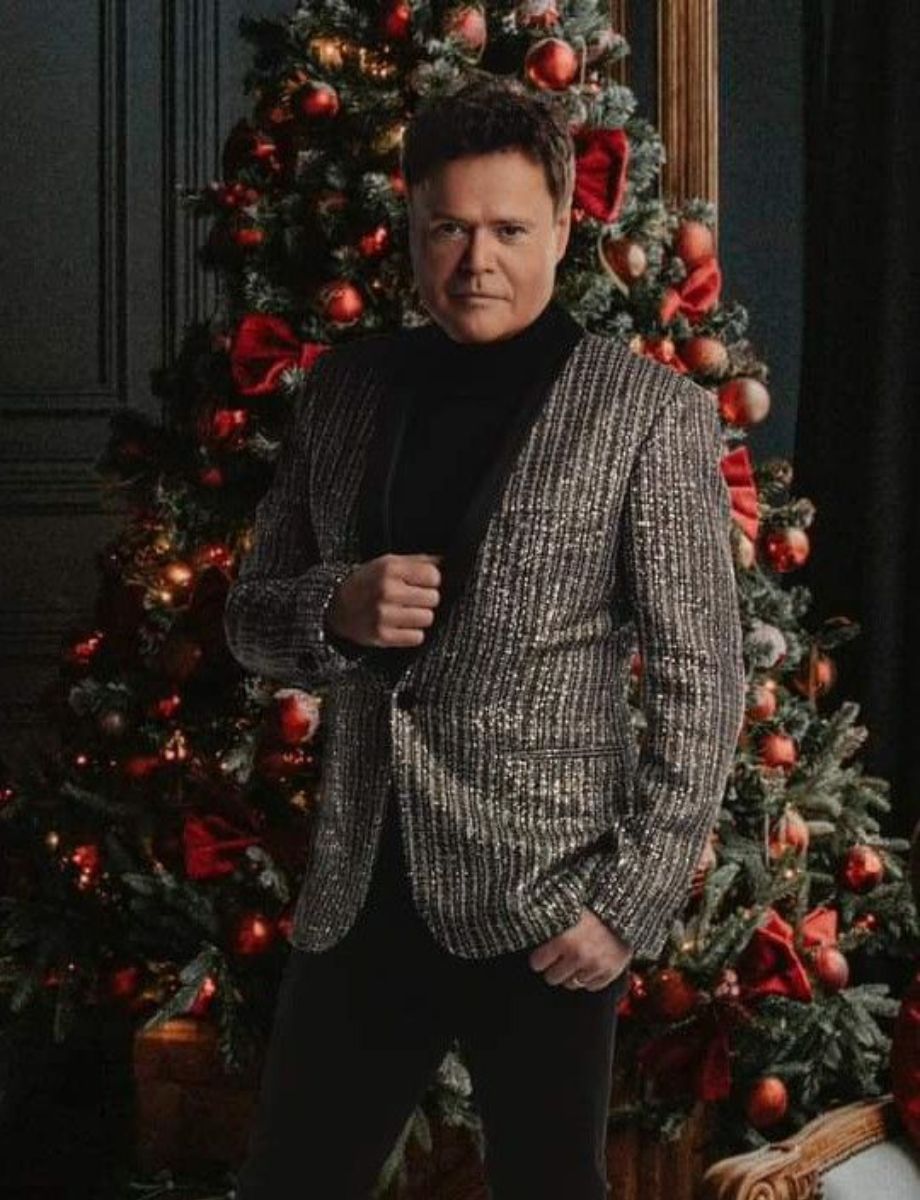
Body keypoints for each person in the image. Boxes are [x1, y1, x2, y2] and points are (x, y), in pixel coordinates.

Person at [225, 75, 746, 1200]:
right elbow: (248, 613)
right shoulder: (342, 391)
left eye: (508, 229)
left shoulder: (645, 414)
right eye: (448, 229)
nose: (476, 261)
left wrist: (627, 909)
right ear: (412, 226)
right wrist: (331, 609)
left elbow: (704, 684)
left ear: (561, 228)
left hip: (546, 907)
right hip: (360, 892)